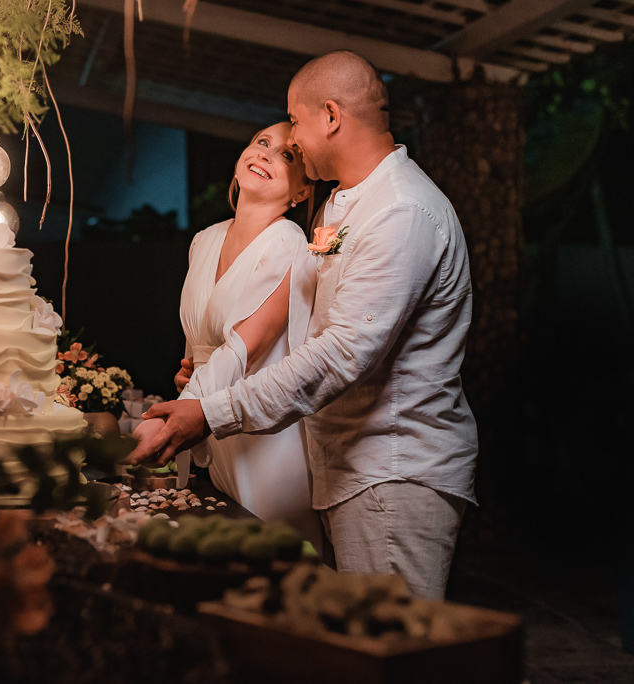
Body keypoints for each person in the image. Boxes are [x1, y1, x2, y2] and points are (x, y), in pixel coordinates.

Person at [130, 50, 478, 600]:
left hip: (391, 470)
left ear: (331, 116)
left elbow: (342, 354)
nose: (290, 136)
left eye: (294, 120)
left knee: (385, 640)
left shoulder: (401, 211)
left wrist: (211, 411)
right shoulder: (343, 205)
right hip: (342, 465)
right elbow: (308, 333)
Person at [134, 122, 321, 548]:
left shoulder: (288, 243)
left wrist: (174, 415)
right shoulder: (204, 240)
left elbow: (244, 347)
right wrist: (189, 377)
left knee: (269, 553)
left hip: (262, 434)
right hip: (207, 421)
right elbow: (201, 343)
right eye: (261, 142)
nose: (266, 154)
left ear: (301, 191)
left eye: (286, 155)